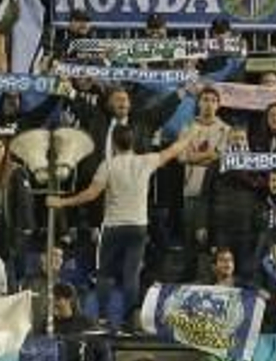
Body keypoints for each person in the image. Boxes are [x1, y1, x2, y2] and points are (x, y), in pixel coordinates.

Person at [48, 125, 192, 331]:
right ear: (132, 142)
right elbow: (172, 151)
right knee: (131, 275)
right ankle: (128, 322)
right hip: (138, 227)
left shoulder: (108, 165)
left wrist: (61, 202)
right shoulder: (145, 161)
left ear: (113, 143)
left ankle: (104, 319)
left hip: (114, 227)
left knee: (105, 273)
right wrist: (189, 136)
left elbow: (90, 194)